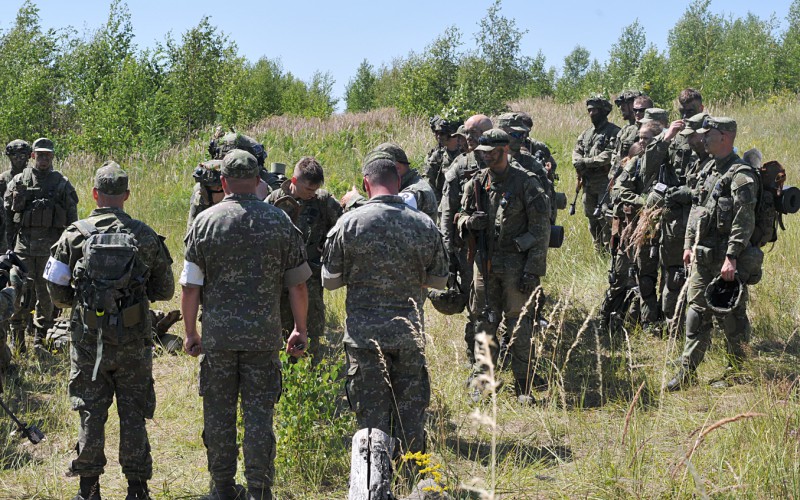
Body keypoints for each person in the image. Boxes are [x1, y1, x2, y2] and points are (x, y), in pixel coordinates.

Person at [181, 149, 310, 500]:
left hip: (218, 339)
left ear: (223, 182)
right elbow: (297, 284)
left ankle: (222, 488)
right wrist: (300, 329)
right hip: (263, 338)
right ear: (257, 181)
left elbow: (191, 285)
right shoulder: (279, 221)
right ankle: (259, 490)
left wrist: (191, 332)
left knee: (218, 417)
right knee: (258, 417)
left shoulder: (204, 222)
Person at [45, 162, 174, 500]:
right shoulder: (144, 235)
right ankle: (137, 488)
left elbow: (56, 291)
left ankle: (89, 489)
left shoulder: (75, 233)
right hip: (133, 340)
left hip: (90, 341)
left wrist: (84, 302)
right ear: (127, 195)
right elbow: (165, 289)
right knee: (133, 411)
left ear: (95, 194)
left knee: (90, 410)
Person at [321, 157, 447, 463]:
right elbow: (439, 280)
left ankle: (373, 481)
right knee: (410, 413)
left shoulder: (349, 224)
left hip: (365, 338)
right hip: (408, 335)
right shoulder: (423, 224)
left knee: (371, 418)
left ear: (366, 183)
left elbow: (330, 281)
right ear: (399, 183)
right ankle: (413, 479)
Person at [457, 129, 551, 404]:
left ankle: (524, 385)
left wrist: (532, 270)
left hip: (516, 266)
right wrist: (469, 223)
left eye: (490, 151)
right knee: (484, 323)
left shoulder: (527, 183)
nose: (485, 156)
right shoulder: (475, 183)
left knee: (519, 325)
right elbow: (460, 217)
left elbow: (541, 229)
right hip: (484, 266)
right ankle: (483, 382)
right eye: (482, 152)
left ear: (504, 150)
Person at [667, 117, 758, 391]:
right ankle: (687, 372)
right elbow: (697, 209)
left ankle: (737, 370)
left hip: (725, 259)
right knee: (695, 313)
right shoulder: (708, 169)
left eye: (709, 134)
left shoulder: (741, 176)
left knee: (731, 316)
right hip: (702, 256)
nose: (703, 139)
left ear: (725, 137)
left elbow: (744, 221)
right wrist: (687, 244)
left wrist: (731, 257)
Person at [5, 137, 78, 352]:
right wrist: (10, 245)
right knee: (18, 290)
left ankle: (40, 338)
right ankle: (17, 336)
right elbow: (8, 215)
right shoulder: (19, 180)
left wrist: (68, 250)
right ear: (33, 156)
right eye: (40, 155)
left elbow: (73, 221)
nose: (43, 159)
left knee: (46, 294)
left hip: (51, 248)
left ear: (52, 157)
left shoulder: (61, 183)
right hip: (23, 247)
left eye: (48, 155)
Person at [266, 156, 341, 364]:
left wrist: (328, 246)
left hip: (311, 279)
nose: (312, 194)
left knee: (312, 327)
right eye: (308, 189)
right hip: (279, 280)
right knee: (279, 327)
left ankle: (310, 377)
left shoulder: (323, 201)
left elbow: (342, 227)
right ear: (294, 181)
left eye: (315, 189)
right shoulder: (274, 200)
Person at [440, 114, 492, 366]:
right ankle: (476, 360)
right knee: (476, 305)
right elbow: (447, 211)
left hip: (501, 248)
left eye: (475, 134)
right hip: (468, 247)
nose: (470, 139)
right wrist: (447, 247)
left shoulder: (502, 162)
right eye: (467, 134)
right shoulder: (460, 166)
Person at [341, 143, 438, 221]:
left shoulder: (415, 190)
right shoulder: (409, 185)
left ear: (397, 168)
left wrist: (354, 200)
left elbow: (388, 211)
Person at [572, 96, 620, 252]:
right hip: (588, 182)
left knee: (606, 216)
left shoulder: (614, 131)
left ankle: (609, 248)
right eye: (589, 110)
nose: (592, 113)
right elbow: (576, 151)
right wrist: (578, 162)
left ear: (604, 111)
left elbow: (609, 154)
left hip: (605, 182)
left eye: (595, 110)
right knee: (591, 217)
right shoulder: (586, 134)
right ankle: (598, 250)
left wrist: (587, 162)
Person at [423, 117, 464, 203]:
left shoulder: (466, 153)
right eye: (437, 133)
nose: (438, 136)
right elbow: (428, 182)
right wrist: (439, 203)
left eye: (442, 133)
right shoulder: (437, 156)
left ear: (453, 133)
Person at [2, 140, 32, 251]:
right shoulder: (3, 178)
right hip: (7, 227)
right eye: (15, 155)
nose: (19, 158)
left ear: (28, 156)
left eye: (22, 155)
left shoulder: (34, 177)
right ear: (9, 157)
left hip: (29, 227)